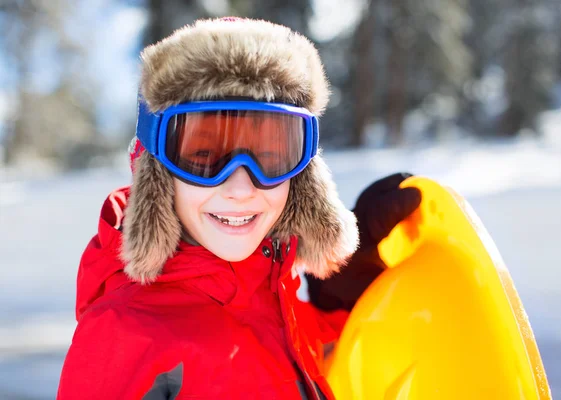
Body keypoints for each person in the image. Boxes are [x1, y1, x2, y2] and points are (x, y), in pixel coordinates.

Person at [57, 17, 421, 399]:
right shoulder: (123, 335)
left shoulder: (277, 305)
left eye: (270, 157)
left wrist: (343, 296)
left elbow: (335, 369)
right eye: (203, 157)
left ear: (303, 178)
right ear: (158, 173)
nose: (241, 187)